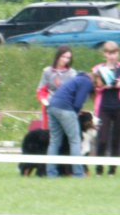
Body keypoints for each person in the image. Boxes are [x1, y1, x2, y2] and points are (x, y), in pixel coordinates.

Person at [46, 71, 101, 178]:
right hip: (66, 108)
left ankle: (51, 173)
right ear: (96, 78)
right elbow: (78, 103)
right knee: (75, 141)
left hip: (52, 106)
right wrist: (77, 112)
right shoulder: (87, 82)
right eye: (100, 82)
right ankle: (78, 174)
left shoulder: (78, 79)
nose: (100, 85)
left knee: (54, 141)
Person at [91, 41, 120, 175]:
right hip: (103, 107)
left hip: (118, 106)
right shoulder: (97, 69)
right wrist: (102, 85)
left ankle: (112, 169)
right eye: (109, 53)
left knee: (116, 139)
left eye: (114, 53)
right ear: (105, 54)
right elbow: (94, 87)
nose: (112, 56)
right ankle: (99, 168)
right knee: (102, 138)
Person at [37, 45, 76, 129]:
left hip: (65, 107)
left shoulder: (72, 73)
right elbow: (41, 90)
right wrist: (44, 100)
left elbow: (74, 92)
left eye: (68, 58)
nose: (65, 60)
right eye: (63, 57)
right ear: (58, 56)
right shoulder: (47, 71)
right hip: (49, 106)